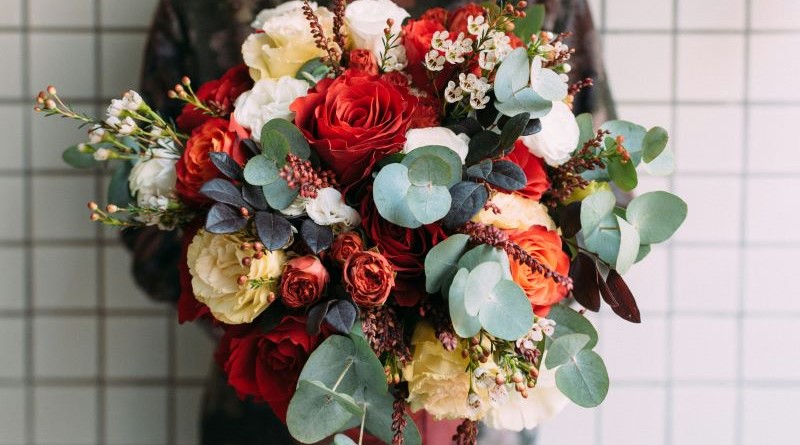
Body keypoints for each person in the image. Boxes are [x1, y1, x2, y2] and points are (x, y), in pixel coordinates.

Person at [127, 1, 616, 443]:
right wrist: (282, 319)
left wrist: (476, 324)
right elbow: (146, 226)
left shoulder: (543, 6)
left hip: (468, 414)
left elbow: (602, 200)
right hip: (271, 407)